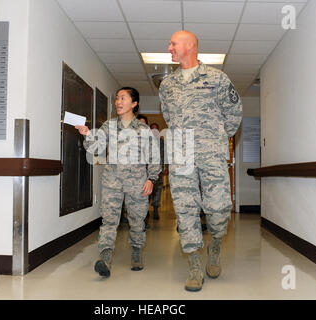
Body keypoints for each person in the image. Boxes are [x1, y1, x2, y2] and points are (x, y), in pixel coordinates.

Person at [159, 31, 242, 291]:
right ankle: (195, 264)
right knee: (185, 210)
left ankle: (215, 243)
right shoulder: (166, 85)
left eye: (173, 43)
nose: (169, 47)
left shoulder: (217, 78)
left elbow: (234, 114)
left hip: (212, 153)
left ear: (190, 45)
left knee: (218, 208)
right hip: (181, 156)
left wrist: (214, 138)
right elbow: (169, 117)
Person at [75, 87, 161, 278]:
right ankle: (105, 258)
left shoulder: (144, 130)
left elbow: (154, 157)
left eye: (123, 98)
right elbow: (96, 148)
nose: (118, 102)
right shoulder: (109, 126)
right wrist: (87, 134)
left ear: (134, 103)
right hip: (112, 182)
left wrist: (151, 179)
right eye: (117, 98)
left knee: (137, 221)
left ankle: (137, 252)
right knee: (109, 221)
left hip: (137, 183)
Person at [149, 123, 165, 220]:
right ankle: (145, 212)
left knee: (158, 190)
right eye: (152, 129)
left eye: (156, 129)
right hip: (147, 171)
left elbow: (164, 156)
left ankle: (155, 209)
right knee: (147, 191)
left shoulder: (162, 142)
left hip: (159, 170)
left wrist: (164, 169)